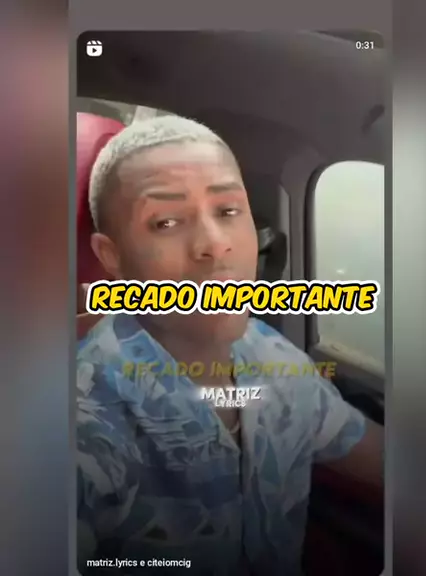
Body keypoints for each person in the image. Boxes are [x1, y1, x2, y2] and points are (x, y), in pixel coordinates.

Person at [77, 115, 383, 575]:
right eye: (165, 222)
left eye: (227, 212)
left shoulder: (272, 357)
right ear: (112, 257)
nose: (215, 245)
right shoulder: (85, 415)